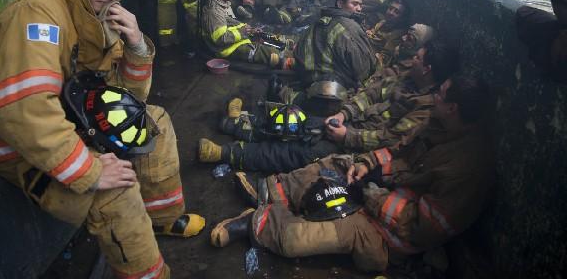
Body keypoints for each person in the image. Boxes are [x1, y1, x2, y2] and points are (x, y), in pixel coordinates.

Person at [0, 0, 205, 279]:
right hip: (7, 143)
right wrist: (91, 170)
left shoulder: (99, 18)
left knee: (153, 120)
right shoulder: (38, 16)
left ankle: (161, 218)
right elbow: (25, 114)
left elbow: (126, 99)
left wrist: (137, 44)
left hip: (67, 122)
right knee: (114, 190)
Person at [210, 75, 495, 277]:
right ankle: (271, 193)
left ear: (453, 108)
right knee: (332, 164)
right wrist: (366, 164)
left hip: (389, 230)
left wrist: (372, 198)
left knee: (294, 238)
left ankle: (254, 222)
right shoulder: (437, 125)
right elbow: (398, 149)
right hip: (382, 188)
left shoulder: (467, 167)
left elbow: (424, 227)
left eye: (441, 94)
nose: (435, 96)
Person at [197, 40, 459, 174]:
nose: (413, 59)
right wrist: (343, 115)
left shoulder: (425, 108)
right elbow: (369, 94)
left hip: (358, 145)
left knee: (295, 154)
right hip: (347, 125)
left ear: (428, 69)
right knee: (298, 121)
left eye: (418, 58)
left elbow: (391, 139)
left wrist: (349, 136)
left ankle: (227, 153)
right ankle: (242, 125)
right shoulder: (405, 79)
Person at [293, 0, 376, 90]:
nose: (359, 9)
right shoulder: (350, 27)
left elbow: (298, 53)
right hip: (335, 92)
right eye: (354, 4)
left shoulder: (319, 21)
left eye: (360, 5)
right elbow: (363, 70)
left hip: (306, 86)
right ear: (340, 3)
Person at [202, 0, 293, 67]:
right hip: (228, 49)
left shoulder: (222, 5)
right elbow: (220, 39)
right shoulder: (214, 11)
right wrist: (243, 32)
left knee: (272, 39)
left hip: (237, 41)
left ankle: (293, 49)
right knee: (272, 54)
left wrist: (250, 30)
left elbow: (231, 24)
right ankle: (295, 63)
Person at [365, 0, 410, 69]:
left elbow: (382, 60)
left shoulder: (397, 35)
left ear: (401, 18)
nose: (391, 13)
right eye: (390, 8)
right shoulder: (383, 22)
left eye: (396, 12)